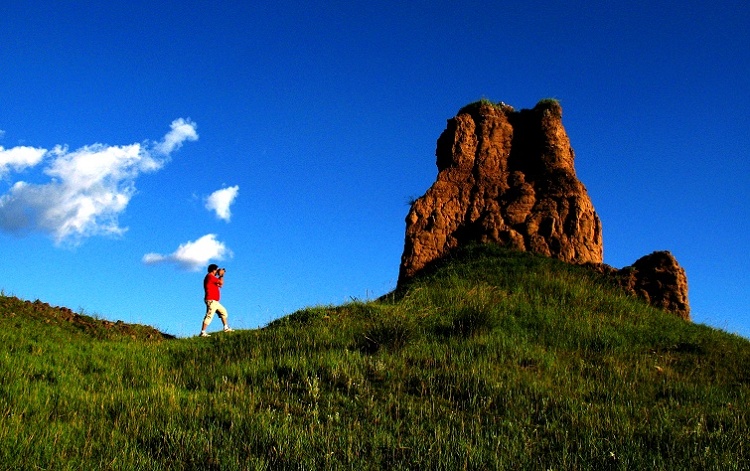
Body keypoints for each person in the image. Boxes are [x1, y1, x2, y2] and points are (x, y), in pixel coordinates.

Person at [199, 263, 233, 337]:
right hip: (211, 300)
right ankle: (203, 332)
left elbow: (221, 284)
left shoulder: (212, 278)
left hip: (215, 301)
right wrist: (221, 275)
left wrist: (221, 276)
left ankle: (226, 328)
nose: (217, 271)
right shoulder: (210, 276)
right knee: (209, 315)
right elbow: (220, 282)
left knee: (224, 312)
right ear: (213, 270)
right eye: (216, 270)